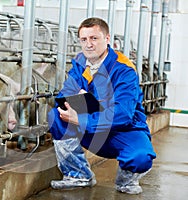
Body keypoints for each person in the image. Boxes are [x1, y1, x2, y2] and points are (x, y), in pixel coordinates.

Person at [47, 17, 156, 194]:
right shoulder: (81, 63)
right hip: (93, 126)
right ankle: (78, 175)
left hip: (124, 131)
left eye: (94, 38)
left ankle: (125, 181)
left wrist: (81, 119)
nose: (88, 44)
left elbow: (123, 114)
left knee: (141, 156)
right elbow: (64, 95)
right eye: (84, 39)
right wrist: (74, 104)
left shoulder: (123, 69)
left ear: (107, 39)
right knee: (56, 116)